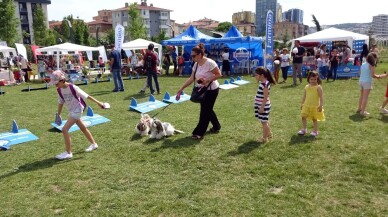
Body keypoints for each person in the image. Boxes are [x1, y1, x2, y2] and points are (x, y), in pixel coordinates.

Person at [50, 70, 105, 160]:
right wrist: (58, 114)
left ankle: (68, 152)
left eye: (56, 83)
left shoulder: (73, 87)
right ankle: (94, 144)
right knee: (83, 128)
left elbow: (87, 96)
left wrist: (99, 103)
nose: (55, 85)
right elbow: (60, 102)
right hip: (72, 111)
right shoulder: (59, 90)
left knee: (64, 129)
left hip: (78, 110)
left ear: (62, 80)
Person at [175, 43, 222, 140]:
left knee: (204, 111)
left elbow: (219, 74)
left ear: (200, 54)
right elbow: (192, 78)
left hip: (212, 90)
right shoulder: (196, 65)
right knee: (208, 109)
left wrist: (208, 80)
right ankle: (217, 126)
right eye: (191, 55)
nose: (192, 57)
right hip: (201, 90)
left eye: (193, 55)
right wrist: (181, 88)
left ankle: (198, 133)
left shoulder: (210, 63)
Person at [298, 71, 325, 137]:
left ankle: (315, 131)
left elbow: (321, 97)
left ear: (317, 79)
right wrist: (302, 104)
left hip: (315, 106)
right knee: (303, 116)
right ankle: (304, 129)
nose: (313, 81)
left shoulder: (318, 87)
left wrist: (321, 105)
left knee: (314, 119)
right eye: (311, 79)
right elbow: (304, 96)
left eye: (315, 79)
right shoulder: (306, 87)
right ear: (309, 79)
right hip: (306, 105)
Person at [254, 67, 276, 143]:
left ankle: (264, 138)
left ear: (262, 75)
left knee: (264, 123)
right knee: (264, 121)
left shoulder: (264, 84)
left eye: (256, 75)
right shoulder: (263, 83)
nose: (255, 76)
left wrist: (262, 107)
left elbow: (266, 97)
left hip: (263, 106)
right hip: (261, 106)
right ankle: (269, 134)